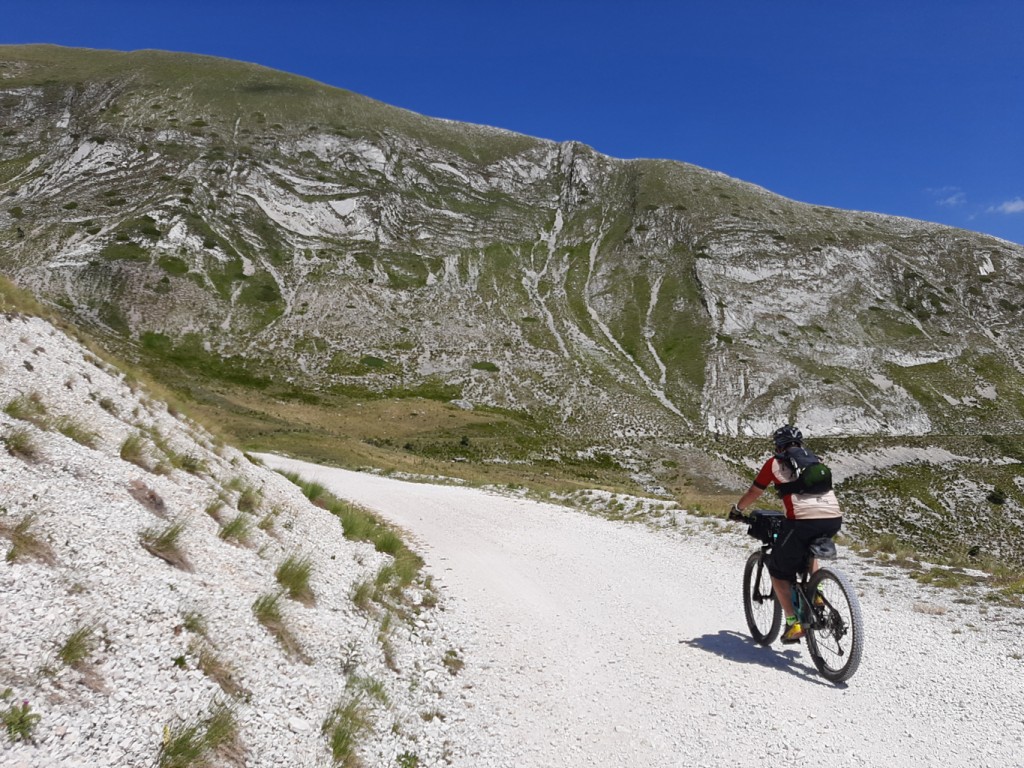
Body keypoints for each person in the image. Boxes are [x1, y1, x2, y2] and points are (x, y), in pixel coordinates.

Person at [730, 425, 842, 643]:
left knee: (778, 570)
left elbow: (755, 492)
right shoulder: (816, 461)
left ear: (778, 446)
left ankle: (794, 622)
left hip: (801, 521)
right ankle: (816, 593)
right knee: (808, 551)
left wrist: (738, 510)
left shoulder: (774, 464)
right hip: (833, 519)